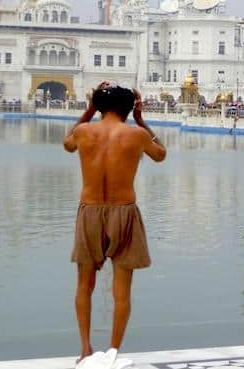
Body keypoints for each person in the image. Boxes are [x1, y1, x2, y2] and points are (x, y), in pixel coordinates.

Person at [63, 82, 166, 367]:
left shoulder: (84, 132)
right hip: (124, 212)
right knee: (122, 290)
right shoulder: (137, 134)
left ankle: (85, 350)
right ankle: (112, 351)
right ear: (129, 108)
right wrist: (141, 119)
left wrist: (87, 111)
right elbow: (161, 154)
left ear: (99, 106)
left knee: (85, 285)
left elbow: (67, 144)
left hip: (90, 212)